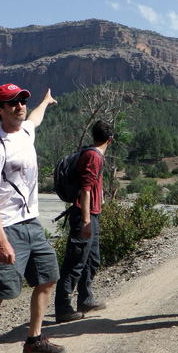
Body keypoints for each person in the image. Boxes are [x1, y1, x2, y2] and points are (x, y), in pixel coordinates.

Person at [0, 83, 64, 353]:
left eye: (22, 100)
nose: (19, 105)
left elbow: (36, 118)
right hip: (7, 227)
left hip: (31, 223)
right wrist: (0, 239)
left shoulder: (26, 131)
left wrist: (45, 101)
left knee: (48, 277)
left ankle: (33, 340)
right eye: (11, 102)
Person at [55, 120, 113, 323]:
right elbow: (86, 189)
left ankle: (85, 299)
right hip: (84, 216)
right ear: (110, 139)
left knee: (92, 259)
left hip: (91, 214)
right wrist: (87, 220)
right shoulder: (93, 156)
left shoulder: (93, 154)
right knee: (75, 261)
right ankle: (62, 307)